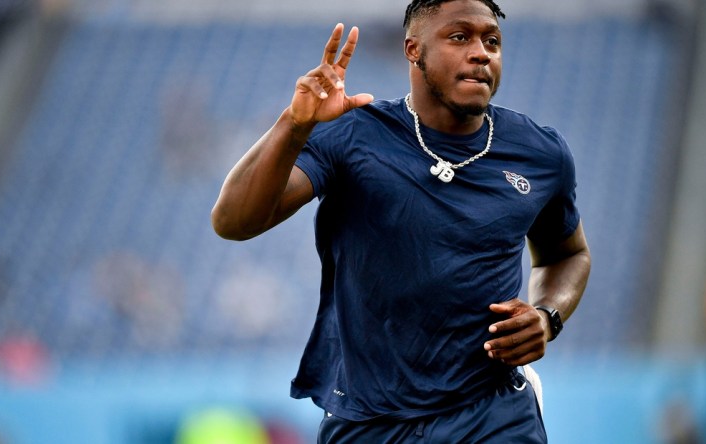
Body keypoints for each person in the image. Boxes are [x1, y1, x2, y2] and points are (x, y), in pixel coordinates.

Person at [211, 0, 591, 442]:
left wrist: (547, 317)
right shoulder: (354, 134)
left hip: (492, 411)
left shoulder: (540, 154)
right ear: (414, 50)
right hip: (370, 419)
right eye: (459, 37)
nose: (481, 52)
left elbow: (569, 254)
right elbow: (233, 221)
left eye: (492, 41)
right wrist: (294, 127)